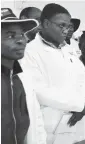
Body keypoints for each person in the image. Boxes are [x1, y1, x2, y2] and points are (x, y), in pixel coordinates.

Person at [19, 3, 85, 144]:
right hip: (50, 126)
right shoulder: (30, 52)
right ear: (46, 23)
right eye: (61, 25)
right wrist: (78, 104)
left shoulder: (69, 49)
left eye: (68, 26)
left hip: (75, 120)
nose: (66, 30)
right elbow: (39, 91)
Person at [1, 8, 47, 144]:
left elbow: (36, 122)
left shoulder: (22, 77)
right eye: (10, 35)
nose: (21, 40)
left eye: (22, 34)